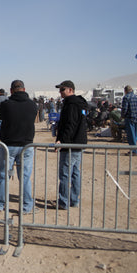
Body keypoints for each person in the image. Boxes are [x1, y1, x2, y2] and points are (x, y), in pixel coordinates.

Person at [0, 80, 38, 214]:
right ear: (24, 90)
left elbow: (0, 116)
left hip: (9, 145)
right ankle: (26, 206)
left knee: (3, 176)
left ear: (11, 91)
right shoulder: (32, 105)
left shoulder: (6, 105)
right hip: (27, 145)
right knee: (25, 177)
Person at [54, 80, 88, 210]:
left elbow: (70, 124)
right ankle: (73, 199)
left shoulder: (72, 105)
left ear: (70, 90)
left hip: (71, 144)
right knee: (75, 173)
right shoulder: (77, 104)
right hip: (78, 143)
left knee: (65, 174)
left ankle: (64, 201)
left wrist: (62, 141)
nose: (60, 92)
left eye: (62, 89)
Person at [121, 85, 137, 156]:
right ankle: (134, 149)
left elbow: (125, 109)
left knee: (131, 135)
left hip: (130, 118)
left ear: (125, 91)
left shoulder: (126, 97)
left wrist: (122, 116)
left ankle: (133, 151)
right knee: (135, 134)